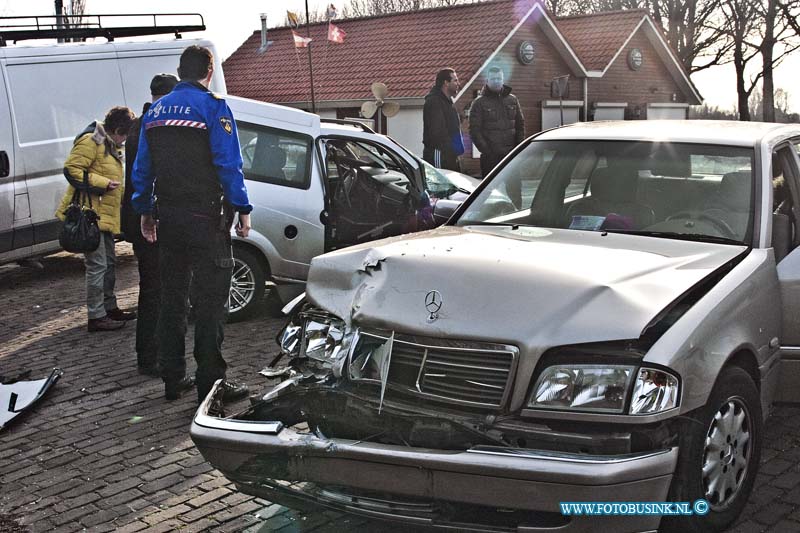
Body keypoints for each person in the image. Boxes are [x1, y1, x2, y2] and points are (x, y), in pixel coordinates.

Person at [131, 45, 252, 403]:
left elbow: (142, 170)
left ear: (180, 71)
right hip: (206, 220)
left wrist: (145, 211)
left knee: (172, 299)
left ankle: (172, 377)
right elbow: (229, 164)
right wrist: (243, 207)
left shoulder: (155, 111)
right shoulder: (213, 106)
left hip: (169, 219)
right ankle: (211, 385)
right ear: (209, 73)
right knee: (211, 303)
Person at [56, 106, 137, 332]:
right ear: (118, 130)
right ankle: (96, 315)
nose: (124, 141)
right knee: (98, 265)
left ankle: (109, 307)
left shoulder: (108, 144)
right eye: (125, 136)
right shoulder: (92, 140)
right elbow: (72, 169)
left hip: (104, 215)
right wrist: (103, 183)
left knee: (109, 263)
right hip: (90, 215)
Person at [121, 74, 179, 377]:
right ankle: (149, 356)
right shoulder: (152, 125)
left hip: (138, 217)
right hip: (148, 220)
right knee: (154, 288)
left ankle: (150, 353)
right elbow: (146, 176)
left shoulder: (139, 122)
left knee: (152, 286)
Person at [469, 67, 525, 178]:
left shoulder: (513, 100)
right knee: (488, 193)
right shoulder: (479, 103)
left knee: (515, 191)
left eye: (499, 78)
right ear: (487, 81)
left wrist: (518, 148)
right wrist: (487, 151)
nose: (496, 81)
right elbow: (474, 131)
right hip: (490, 159)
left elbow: (520, 125)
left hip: (511, 156)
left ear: (503, 80)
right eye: (493, 79)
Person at [422, 68, 464, 172]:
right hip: (440, 155)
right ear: (446, 83)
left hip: (450, 156)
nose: (458, 83)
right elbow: (437, 134)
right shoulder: (434, 102)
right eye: (455, 80)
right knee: (442, 185)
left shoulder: (448, 102)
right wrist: (450, 150)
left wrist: (457, 151)